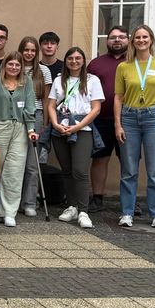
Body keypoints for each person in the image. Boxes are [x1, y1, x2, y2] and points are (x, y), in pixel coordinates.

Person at [114, 24, 155, 228]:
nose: (141, 40)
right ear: (133, 41)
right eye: (137, 37)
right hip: (129, 117)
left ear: (151, 40)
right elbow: (118, 97)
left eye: (145, 37)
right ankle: (127, 213)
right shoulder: (124, 66)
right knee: (129, 170)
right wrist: (118, 124)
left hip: (153, 116)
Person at [47, 47, 104, 229]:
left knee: (80, 170)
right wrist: (55, 124)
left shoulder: (92, 80)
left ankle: (83, 211)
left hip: (82, 128)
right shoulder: (59, 80)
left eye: (78, 58)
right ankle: (71, 206)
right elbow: (51, 105)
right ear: (66, 61)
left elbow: (96, 108)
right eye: (70, 58)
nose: (74, 61)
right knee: (67, 170)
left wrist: (78, 126)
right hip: (61, 128)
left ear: (83, 61)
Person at [0, 53, 36, 227]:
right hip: (0, 126)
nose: (14, 68)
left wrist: (30, 128)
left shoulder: (26, 82)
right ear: (5, 65)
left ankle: (9, 212)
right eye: (11, 64)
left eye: (17, 65)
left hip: (20, 129)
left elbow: (30, 106)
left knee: (14, 170)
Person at [87, 26, 129, 211]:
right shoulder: (96, 64)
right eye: (113, 37)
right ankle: (97, 197)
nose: (117, 40)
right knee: (100, 158)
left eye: (121, 37)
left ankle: (129, 200)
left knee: (128, 160)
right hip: (100, 119)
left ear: (128, 40)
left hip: (129, 120)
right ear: (107, 41)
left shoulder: (135, 62)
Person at [18, 35, 53, 217]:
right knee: (16, 163)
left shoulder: (44, 71)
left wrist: (46, 122)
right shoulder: (15, 67)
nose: (29, 53)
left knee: (32, 164)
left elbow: (47, 99)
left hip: (37, 115)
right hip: (16, 116)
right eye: (26, 50)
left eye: (32, 50)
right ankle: (14, 202)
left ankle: (30, 202)